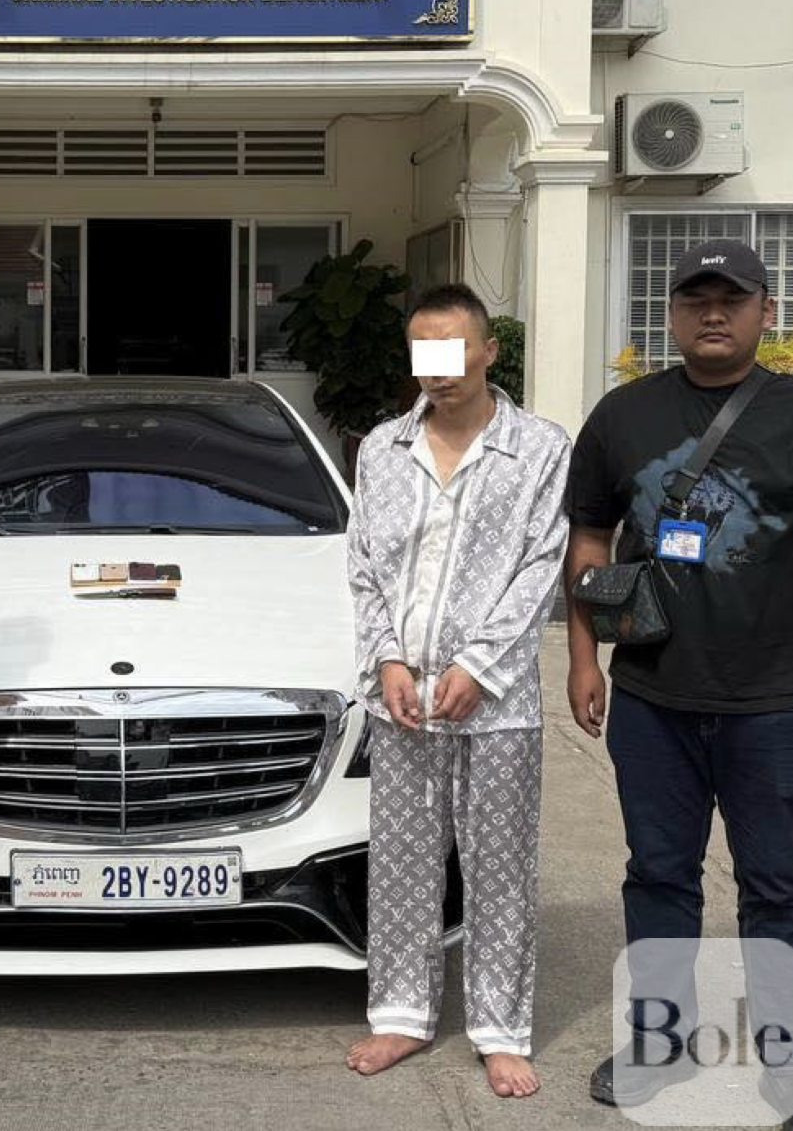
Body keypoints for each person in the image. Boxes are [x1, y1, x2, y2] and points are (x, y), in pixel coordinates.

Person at [563, 240, 793, 1131]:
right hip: (652, 697)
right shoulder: (624, 415)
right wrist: (584, 657)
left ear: (765, 312)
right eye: (696, 299)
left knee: (778, 886)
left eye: (733, 299)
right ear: (671, 313)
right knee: (658, 876)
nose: (714, 314)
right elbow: (590, 539)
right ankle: (658, 1044)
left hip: (775, 701)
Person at [342, 282, 571, 1100]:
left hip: (496, 702)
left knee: (498, 865)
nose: (437, 371)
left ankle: (500, 1030)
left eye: (452, 350)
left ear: (488, 351)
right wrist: (387, 662)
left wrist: (479, 667)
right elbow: (364, 566)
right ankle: (401, 1014)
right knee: (402, 862)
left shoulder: (539, 448)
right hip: (402, 697)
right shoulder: (382, 449)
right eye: (423, 353)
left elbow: (541, 566)